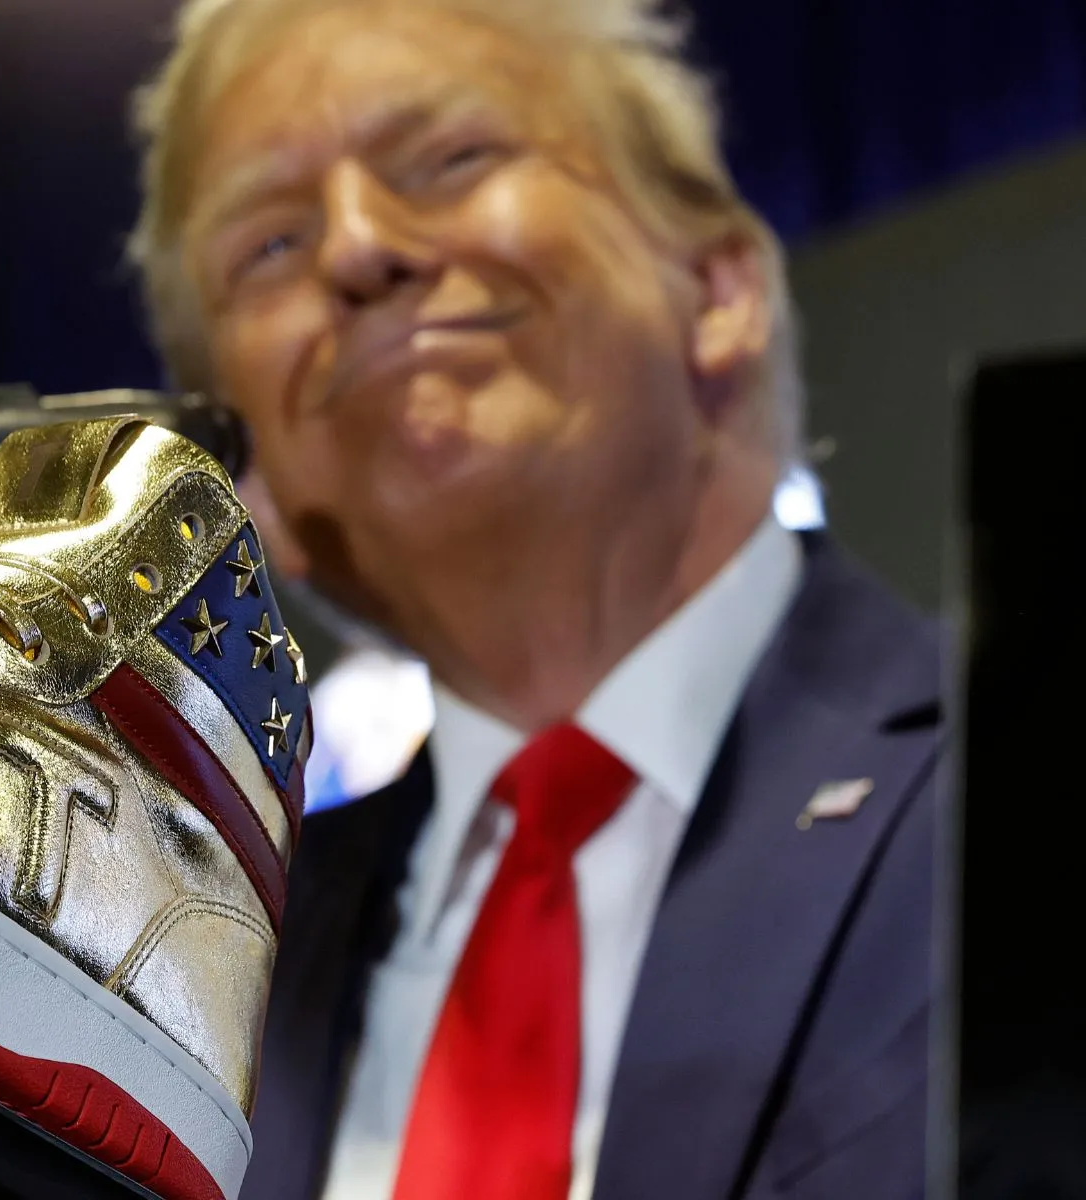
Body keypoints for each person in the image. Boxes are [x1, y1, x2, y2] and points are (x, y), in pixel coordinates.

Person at [125, 2, 944, 1198]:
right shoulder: (190, 989)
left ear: (714, 289)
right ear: (248, 484)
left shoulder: (1033, 782)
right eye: (268, 247)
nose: (355, 249)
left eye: (453, 159)